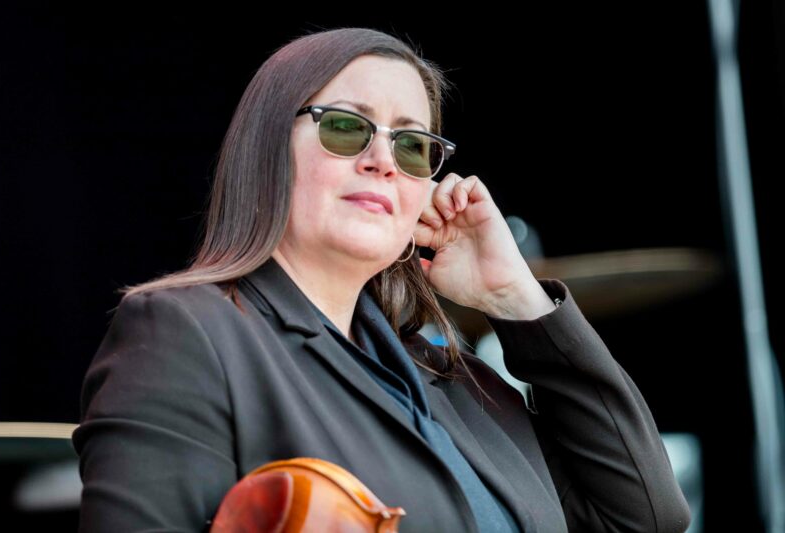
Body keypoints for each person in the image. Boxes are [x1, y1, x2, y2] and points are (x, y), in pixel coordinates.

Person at [72, 27, 692, 532]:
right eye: (346, 127)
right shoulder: (186, 332)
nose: (382, 162)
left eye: (411, 145)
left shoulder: (447, 377)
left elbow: (643, 515)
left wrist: (515, 298)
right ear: (267, 148)